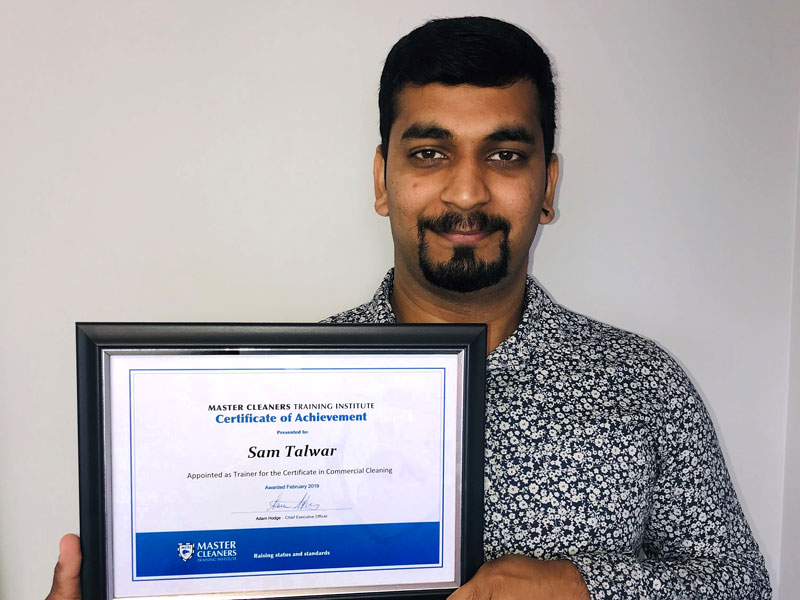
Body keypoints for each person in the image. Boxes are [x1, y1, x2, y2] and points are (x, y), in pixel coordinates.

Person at [46, 16, 771, 600]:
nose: (465, 193)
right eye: (429, 153)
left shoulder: (642, 384)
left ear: (548, 186)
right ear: (383, 179)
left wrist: (582, 585)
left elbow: (742, 586)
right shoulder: (270, 392)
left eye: (506, 155)